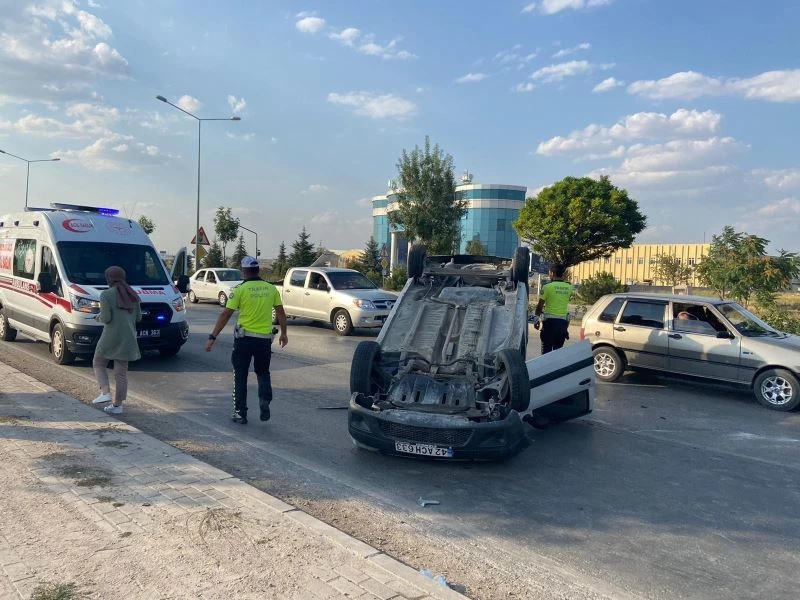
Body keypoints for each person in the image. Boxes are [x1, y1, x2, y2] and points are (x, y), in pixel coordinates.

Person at [205, 256, 288, 425]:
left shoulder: (239, 290)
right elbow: (280, 313)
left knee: (240, 375)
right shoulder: (271, 289)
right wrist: (284, 334)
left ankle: (240, 413)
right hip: (264, 340)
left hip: (244, 340)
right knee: (263, 372)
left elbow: (226, 315)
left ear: (244, 271)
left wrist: (212, 337)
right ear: (258, 270)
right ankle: (264, 399)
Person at [91, 266, 142, 414]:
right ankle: (117, 406)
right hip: (129, 337)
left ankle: (105, 393)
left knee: (98, 363)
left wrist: (97, 317)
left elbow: (106, 318)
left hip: (110, 336)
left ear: (109, 278)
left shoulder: (106, 294)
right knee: (121, 373)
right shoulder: (133, 294)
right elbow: (139, 317)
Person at [533, 263, 574, 354]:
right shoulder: (569, 287)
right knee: (557, 353)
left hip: (549, 324)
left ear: (552, 273)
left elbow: (540, 306)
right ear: (562, 274)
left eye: (549, 272)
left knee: (546, 352)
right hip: (562, 325)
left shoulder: (547, 287)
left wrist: (536, 320)